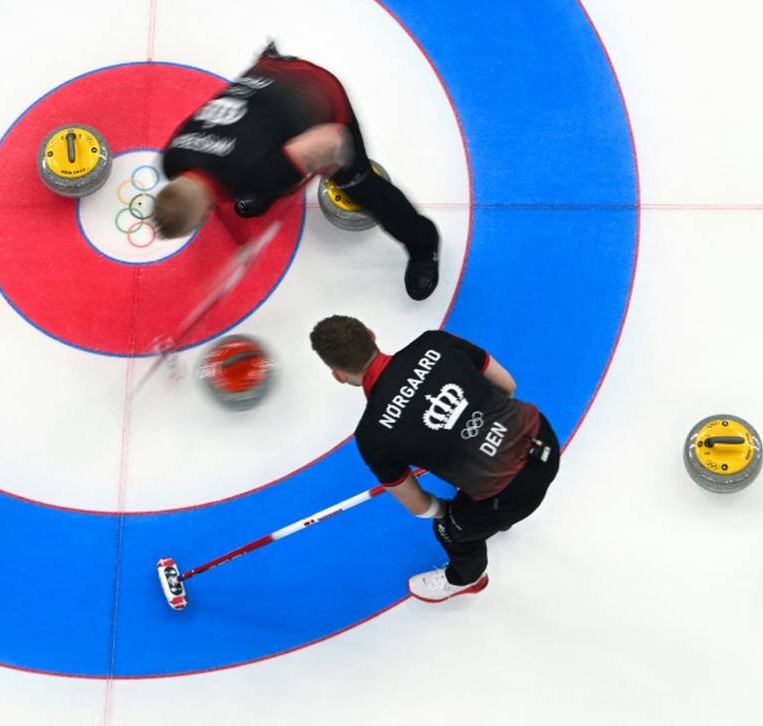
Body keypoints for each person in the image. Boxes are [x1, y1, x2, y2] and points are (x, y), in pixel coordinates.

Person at [155, 43, 441, 301]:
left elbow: (332, 140)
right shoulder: (173, 157)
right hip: (269, 75)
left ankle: (423, 244)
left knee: (362, 186)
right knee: (273, 175)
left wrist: (335, 162)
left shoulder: (254, 174)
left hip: (318, 94)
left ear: (205, 214)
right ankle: (275, 180)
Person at [309, 315, 560, 602]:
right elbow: (507, 385)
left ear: (338, 376)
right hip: (543, 438)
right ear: (371, 333)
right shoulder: (435, 342)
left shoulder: (371, 436)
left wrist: (449, 512)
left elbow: (418, 506)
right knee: (485, 491)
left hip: (511, 495)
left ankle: (466, 579)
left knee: (449, 529)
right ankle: (496, 519)